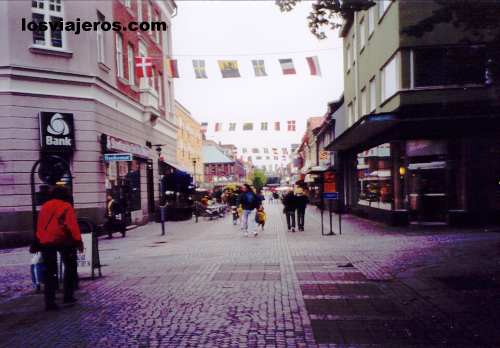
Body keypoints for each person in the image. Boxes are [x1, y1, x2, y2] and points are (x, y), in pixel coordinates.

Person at [35, 185, 83, 311]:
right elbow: (72, 226)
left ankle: (49, 302)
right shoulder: (66, 206)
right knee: (70, 266)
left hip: (45, 241)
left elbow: (39, 224)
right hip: (62, 240)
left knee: (49, 271)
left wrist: (40, 239)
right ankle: (68, 295)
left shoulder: (44, 206)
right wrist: (78, 241)